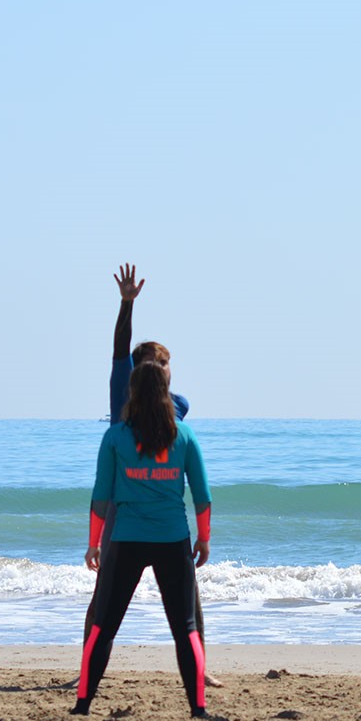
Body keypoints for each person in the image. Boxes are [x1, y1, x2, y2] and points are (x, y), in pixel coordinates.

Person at [73, 263, 220, 687]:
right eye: (159, 363)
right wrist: (126, 305)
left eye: (166, 363)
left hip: (166, 509)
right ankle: (86, 668)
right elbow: (120, 349)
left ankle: (201, 671)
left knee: (188, 595)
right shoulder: (125, 388)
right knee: (105, 596)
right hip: (125, 507)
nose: (164, 370)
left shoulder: (177, 406)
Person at [72, 361, 215, 719]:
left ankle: (83, 705)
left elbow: (101, 496)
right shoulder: (184, 436)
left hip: (126, 541)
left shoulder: (116, 437)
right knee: (186, 629)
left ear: (132, 392)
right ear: (167, 393)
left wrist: (94, 543)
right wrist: (204, 539)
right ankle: (198, 709)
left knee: (104, 626)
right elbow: (202, 495)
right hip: (172, 540)